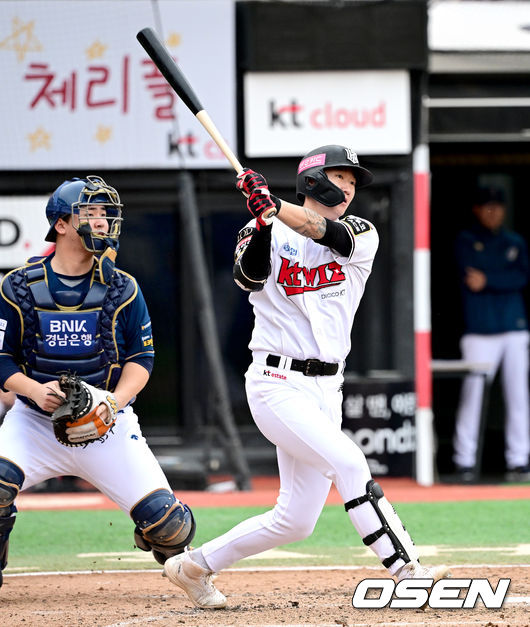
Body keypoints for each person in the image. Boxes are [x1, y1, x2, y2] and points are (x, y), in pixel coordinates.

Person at [162, 145, 449, 609]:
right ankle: (406, 570)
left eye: (355, 182)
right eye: (342, 178)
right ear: (314, 179)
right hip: (276, 383)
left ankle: (193, 566)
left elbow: (323, 232)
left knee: (296, 520)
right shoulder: (263, 230)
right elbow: (248, 278)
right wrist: (261, 222)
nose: (350, 189)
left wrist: (275, 207)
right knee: (351, 464)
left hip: (327, 388)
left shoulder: (362, 232)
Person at [0, 176, 195, 586]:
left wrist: (113, 401)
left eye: (106, 214)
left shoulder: (123, 287)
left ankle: (177, 559)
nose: (103, 222)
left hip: (107, 424)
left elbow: (142, 359)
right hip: (34, 422)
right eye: (90, 213)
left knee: (171, 526)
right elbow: (2, 359)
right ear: (62, 224)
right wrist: (34, 390)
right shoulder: (17, 286)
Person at [452, 186, 530, 483]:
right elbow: (472, 279)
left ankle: (519, 460)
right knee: (473, 397)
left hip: (515, 328)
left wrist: (490, 279)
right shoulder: (467, 240)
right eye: (487, 206)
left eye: (497, 206)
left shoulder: (515, 242)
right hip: (480, 331)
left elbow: (521, 276)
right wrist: (499, 278)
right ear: (477, 210)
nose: (493, 211)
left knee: (518, 395)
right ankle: (464, 460)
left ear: (504, 210)